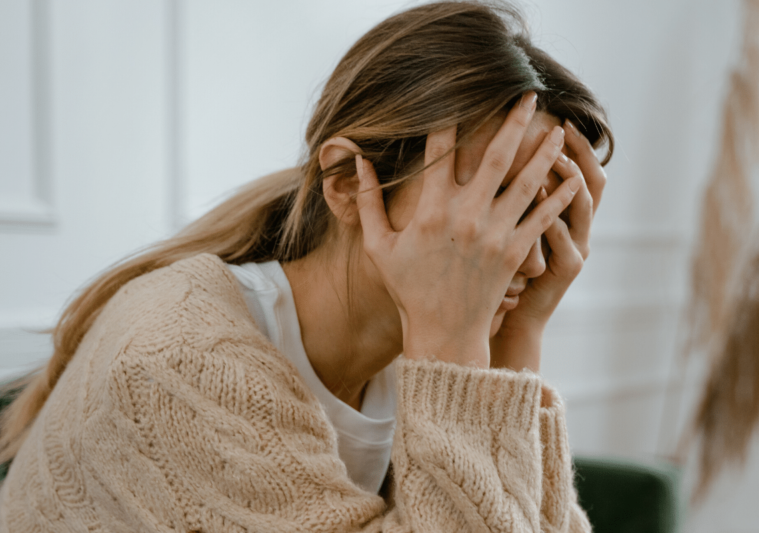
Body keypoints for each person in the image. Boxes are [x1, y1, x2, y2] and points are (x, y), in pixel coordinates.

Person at [0, 1, 613, 531]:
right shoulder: (182, 363)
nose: (528, 254)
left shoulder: (422, 340)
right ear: (347, 183)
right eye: (491, 204)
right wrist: (463, 353)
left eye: (548, 214)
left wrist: (516, 339)